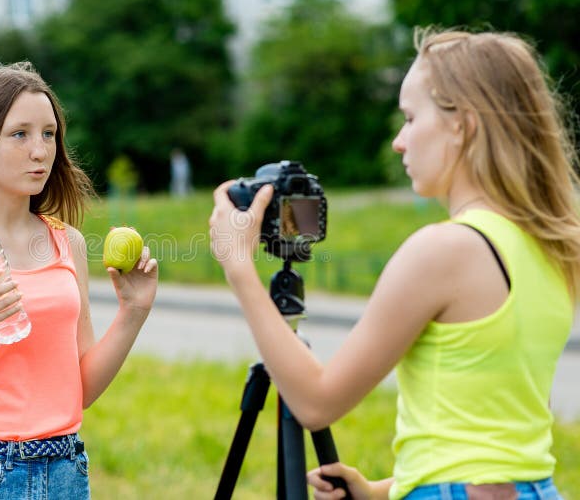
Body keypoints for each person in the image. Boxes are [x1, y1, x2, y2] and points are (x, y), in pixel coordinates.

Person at [209, 27, 580, 499]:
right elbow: (501, 435)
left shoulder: (444, 251)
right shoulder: (551, 245)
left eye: (409, 118)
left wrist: (238, 267)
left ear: (461, 124)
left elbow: (316, 403)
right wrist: (382, 491)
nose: (398, 142)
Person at [0, 61, 158, 499]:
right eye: (19, 134)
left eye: (49, 133)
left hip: (66, 471)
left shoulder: (67, 243)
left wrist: (133, 313)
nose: (40, 150)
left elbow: (78, 391)